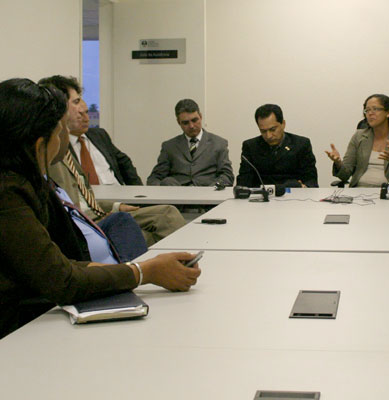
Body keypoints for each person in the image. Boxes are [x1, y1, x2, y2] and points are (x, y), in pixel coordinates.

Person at [0, 78, 201, 339]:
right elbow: (61, 280)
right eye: (59, 133)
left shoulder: (24, 183)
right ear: (40, 145)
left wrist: (127, 271)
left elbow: (54, 264)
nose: (63, 141)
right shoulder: (9, 194)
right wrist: (145, 272)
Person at [42, 76, 186, 245]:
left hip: (102, 209)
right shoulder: (51, 153)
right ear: (59, 106)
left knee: (167, 216)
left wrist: (117, 206)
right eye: (76, 102)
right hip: (87, 223)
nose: (84, 108)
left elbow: (88, 197)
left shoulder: (88, 141)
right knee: (154, 228)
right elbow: (70, 207)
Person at [325, 94, 389, 187]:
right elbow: (345, 175)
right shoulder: (359, 136)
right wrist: (338, 163)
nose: (370, 113)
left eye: (375, 109)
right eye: (367, 110)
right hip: (358, 191)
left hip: (388, 192)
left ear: (388, 113)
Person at [147, 98, 234, 187]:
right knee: (168, 181)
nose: (191, 126)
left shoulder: (219, 143)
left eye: (194, 120)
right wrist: (162, 188)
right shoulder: (169, 147)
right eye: (185, 123)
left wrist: (213, 188)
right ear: (178, 122)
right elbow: (154, 178)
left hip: (207, 191)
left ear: (200, 116)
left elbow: (227, 175)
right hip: (177, 192)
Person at [237, 104, 318, 188]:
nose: (268, 136)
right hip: (261, 194)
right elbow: (243, 182)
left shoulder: (301, 144)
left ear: (283, 124)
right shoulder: (250, 146)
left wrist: (304, 186)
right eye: (263, 131)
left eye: (272, 130)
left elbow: (311, 181)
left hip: (293, 193)